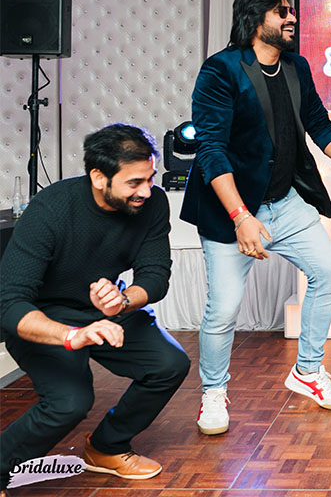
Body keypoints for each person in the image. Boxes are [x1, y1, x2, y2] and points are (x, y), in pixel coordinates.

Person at [181, 0, 331, 436]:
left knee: (326, 272)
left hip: (284, 201)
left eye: (290, 10)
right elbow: (211, 150)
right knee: (223, 309)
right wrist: (240, 217)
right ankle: (213, 392)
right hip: (231, 210)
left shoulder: (296, 66)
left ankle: (308, 370)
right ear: (255, 20)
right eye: (281, 11)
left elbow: (318, 123)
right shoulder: (221, 70)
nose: (292, 18)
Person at [0, 124, 190, 491]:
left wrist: (123, 301)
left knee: (169, 364)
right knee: (69, 403)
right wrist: (73, 336)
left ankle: (106, 447)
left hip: (105, 309)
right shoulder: (52, 209)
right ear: (99, 177)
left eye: (150, 178)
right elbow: (9, 304)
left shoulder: (152, 203)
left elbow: (155, 275)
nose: (146, 190)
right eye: (134, 182)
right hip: (44, 316)